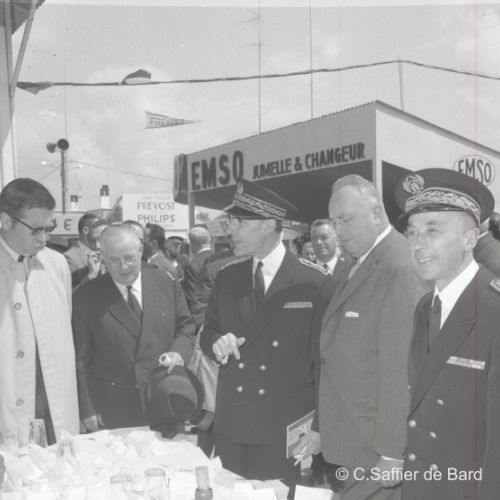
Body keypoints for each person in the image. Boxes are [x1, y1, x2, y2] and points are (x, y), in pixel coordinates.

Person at [297, 174, 426, 500]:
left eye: (346, 220)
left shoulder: (399, 266)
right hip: (351, 439)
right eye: (334, 222)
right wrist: (322, 430)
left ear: (376, 213)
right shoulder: (356, 263)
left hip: (375, 449)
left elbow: (400, 368)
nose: (339, 231)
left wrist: (392, 451)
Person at [200, 179, 327, 492]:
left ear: (269, 224)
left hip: (283, 427)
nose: (231, 230)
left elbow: (326, 363)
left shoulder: (314, 282)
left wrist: (321, 426)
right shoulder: (227, 276)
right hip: (234, 423)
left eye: (240, 222)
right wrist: (216, 343)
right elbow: (208, 331)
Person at [394, 169, 500, 500]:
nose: (418, 244)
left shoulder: (494, 310)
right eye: (412, 233)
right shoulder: (425, 307)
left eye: (432, 230)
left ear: (470, 239)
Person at [72, 224, 195, 433]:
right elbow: (81, 358)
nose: (123, 267)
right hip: (114, 408)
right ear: (102, 258)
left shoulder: (165, 282)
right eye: (114, 260)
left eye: (129, 257)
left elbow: (185, 327)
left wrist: (178, 353)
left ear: (140, 250)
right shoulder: (87, 296)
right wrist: (88, 408)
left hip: (164, 400)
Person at [0, 178, 79, 445]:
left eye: (48, 228)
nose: (44, 239)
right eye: (36, 230)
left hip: (54, 407)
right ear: (6, 221)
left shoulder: (57, 265)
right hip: (8, 408)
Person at [71, 219, 109, 289]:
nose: (97, 245)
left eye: (101, 239)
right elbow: (73, 295)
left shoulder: (125, 266)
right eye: (93, 240)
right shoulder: (78, 275)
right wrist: (92, 275)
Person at [182, 226, 214, 311]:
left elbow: (192, 297)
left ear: (192, 244)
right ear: (209, 240)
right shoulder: (220, 259)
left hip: (203, 314)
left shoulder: (192, 266)